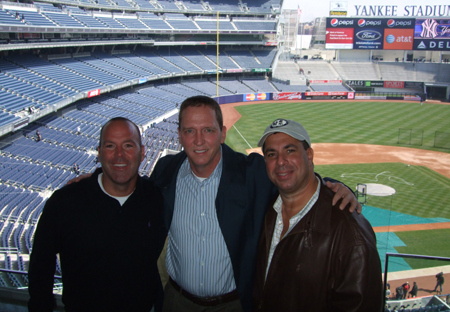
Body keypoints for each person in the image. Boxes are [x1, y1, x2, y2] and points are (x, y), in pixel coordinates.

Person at [69, 96, 361, 312]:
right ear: (180, 134)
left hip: (232, 305)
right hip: (176, 302)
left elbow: (291, 175)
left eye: (208, 130)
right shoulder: (166, 172)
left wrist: (334, 185)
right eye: (190, 131)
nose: (199, 141)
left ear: (222, 133)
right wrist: (95, 180)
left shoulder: (252, 172)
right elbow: (131, 184)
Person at [28, 117, 167, 312]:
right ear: (99, 153)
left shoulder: (156, 198)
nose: (120, 155)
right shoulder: (64, 203)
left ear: (142, 152)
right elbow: (40, 269)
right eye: (110, 146)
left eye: (128, 145)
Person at [252, 118, 383, 311]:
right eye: (272, 154)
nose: (280, 161)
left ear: (309, 155)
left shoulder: (351, 233)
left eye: (290, 150)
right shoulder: (267, 210)